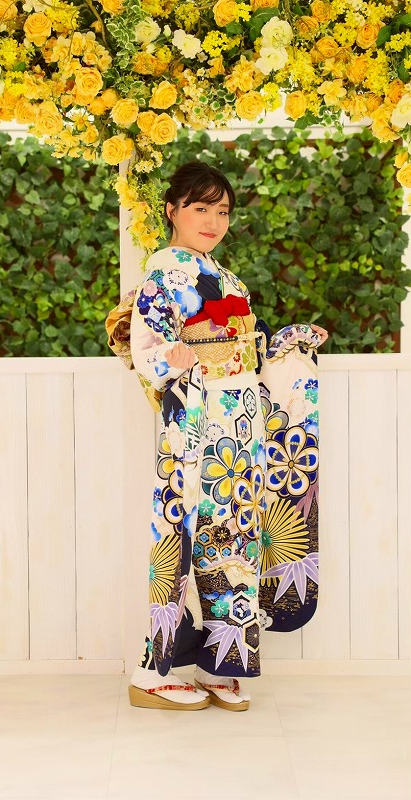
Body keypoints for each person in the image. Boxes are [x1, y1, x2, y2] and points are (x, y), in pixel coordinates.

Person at [127, 161, 328, 711]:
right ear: (172, 210)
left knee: (235, 541)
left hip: (241, 426)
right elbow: (147, 349)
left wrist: (289, 341)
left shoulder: (228, 278)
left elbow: (250, 352)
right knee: (185, 535)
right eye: (200, 208)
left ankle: (220, 662)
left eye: (222, 211)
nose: (213, 221)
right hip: (199, 422)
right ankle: (152, 672)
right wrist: (172, 359)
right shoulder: (163, 274)